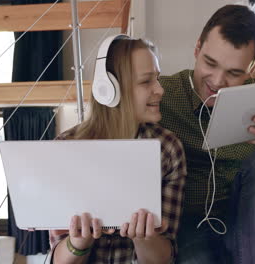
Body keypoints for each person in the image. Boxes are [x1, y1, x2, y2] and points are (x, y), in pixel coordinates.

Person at [158, 5, 255, 263]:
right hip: (187, 225)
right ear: (197, 49)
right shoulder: (162, 96)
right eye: (210, 63)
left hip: (246, 220)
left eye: (234, 73)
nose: (218, 81)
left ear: (251, 67)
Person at [50, 36, 187, 264]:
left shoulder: (168, 150)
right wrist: (78, 243)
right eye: (146, 82)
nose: (160, 90)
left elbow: (163, 257)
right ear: (109, 89)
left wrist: (144, 238)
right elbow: (58, 259)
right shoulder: (65, 149)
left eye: (158, 79)